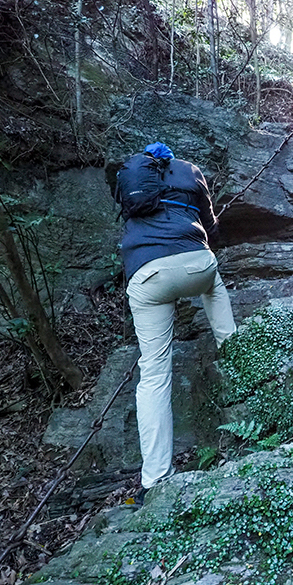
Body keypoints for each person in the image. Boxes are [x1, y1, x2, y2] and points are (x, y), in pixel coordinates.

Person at [113, 142, 237, 503]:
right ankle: (234, 350)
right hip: (194, 264)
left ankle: (155, 477)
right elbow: (211, 227)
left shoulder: (130, 181)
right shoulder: (190, 171)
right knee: (213, 282)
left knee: (153, 373)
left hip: (145, 275)